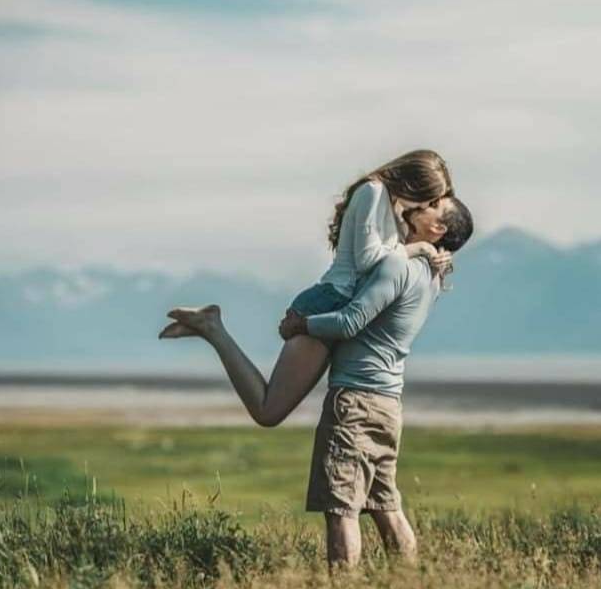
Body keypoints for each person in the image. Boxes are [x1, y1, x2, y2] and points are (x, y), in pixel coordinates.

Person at [159, 149, 455, 427]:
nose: (427, 207)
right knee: (268, 411)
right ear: (414, 183)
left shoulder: (393, 206)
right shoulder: (372, 192)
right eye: (429, 200)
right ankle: (212, 327)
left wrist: (436, 253)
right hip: (328, 303)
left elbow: (390, 259)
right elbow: (367, 260)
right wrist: (420, 249)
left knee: (272, 409)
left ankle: (210, 326)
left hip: (341, 307)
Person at [279, 195, 474, 568]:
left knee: (341, 508)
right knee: (385, 504)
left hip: (356, 401)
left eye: (433, 204)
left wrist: (301, 325)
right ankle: (407, 587)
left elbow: (350, 321)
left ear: (437, 229)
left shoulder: (398, 266)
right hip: (387, 403)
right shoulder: (430, 272)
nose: (423, 202)